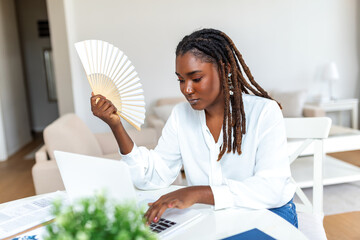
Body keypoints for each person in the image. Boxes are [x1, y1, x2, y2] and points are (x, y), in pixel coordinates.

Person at [90, 28, 298, 227]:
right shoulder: (181, 116)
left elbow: (273, 188)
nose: (186, 89)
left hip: (270, 214)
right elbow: (152, 176)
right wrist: (115, 125)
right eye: (181, 80)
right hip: (216, 217)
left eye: (196, 78)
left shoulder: (264, 112)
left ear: (224, 69)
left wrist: (197, 193)